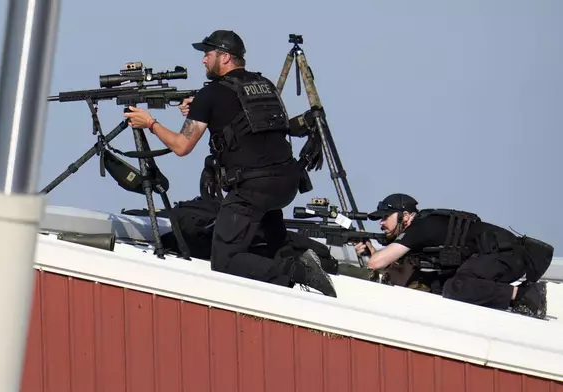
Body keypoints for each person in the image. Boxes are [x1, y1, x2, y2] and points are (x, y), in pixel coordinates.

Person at [123, 29, 337, 298]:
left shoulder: (211, 94)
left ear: (224, 58)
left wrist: (150, 123)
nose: (203, 60)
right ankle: (299, 260)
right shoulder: (264, 85)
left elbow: (181, 146)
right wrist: (202, 108)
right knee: (272, 244)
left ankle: (300, 272)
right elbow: (244, 120)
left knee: (224, 260)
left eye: (207, 54)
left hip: (252, 188)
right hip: (285, 182)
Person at [354, 193, 552, 319]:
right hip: (498, 257)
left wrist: (372, 255)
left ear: (405, 217)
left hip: (507, 255)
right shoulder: (422, 227)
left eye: (385, 218)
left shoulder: (420, 228)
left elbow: (376, 262)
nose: (381, 223)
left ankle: (525, 296)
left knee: (456, 287)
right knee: (437, 284)